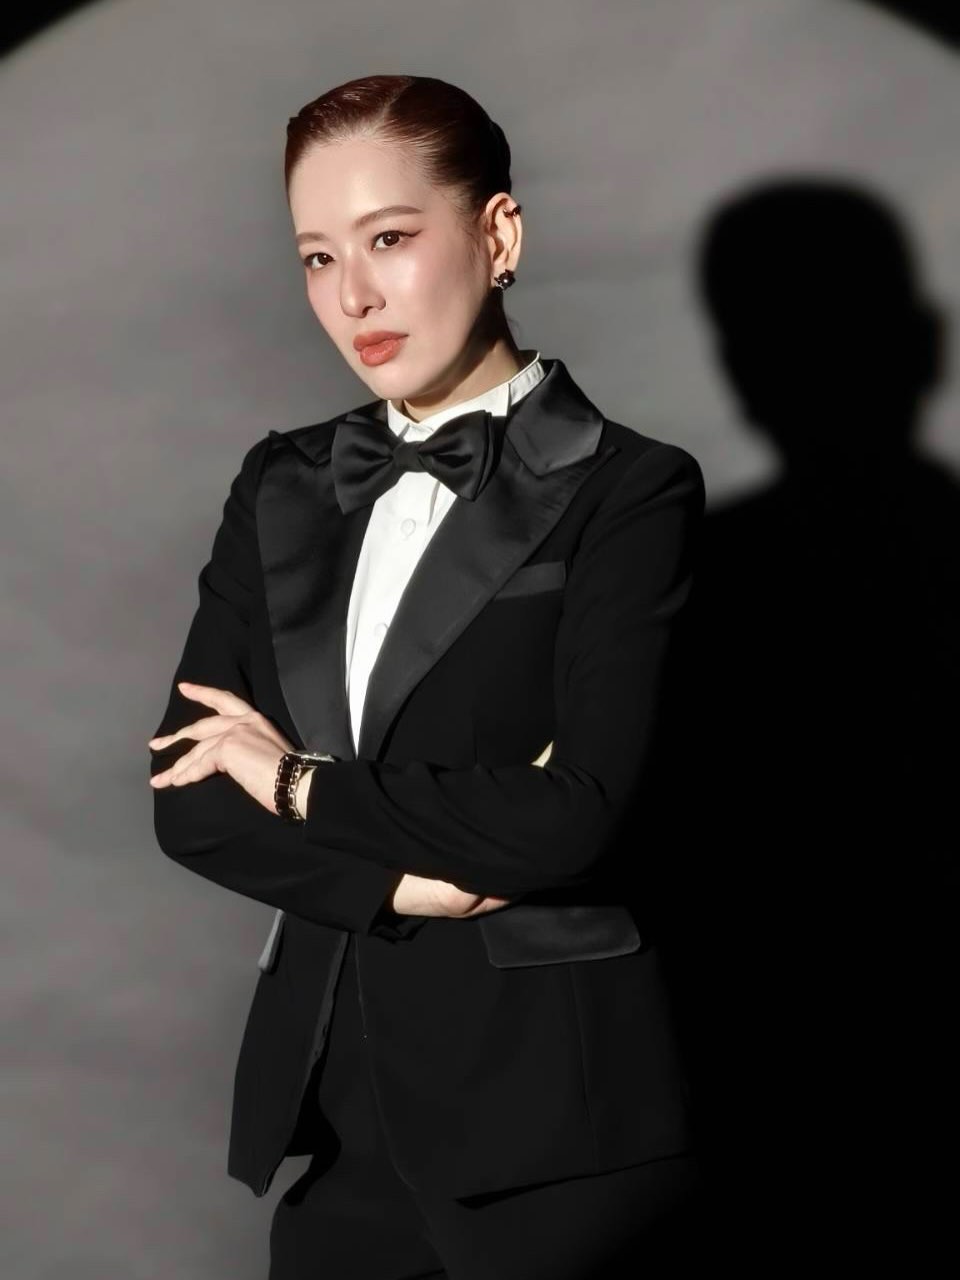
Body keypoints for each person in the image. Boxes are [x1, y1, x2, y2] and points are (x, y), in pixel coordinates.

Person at [148, 74, 707, 1280]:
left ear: (498, 236)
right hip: (335, 1112)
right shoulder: (280, 484)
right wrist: (407, 881)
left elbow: (579, 814)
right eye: (317, 257)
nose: (351, 295)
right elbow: (188, 802)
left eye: (390, 239)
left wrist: (295, 783)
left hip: (556, 1133)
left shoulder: (631, 490)